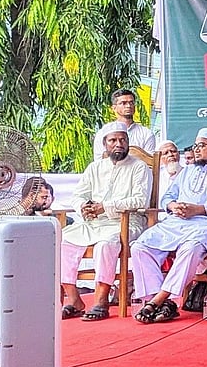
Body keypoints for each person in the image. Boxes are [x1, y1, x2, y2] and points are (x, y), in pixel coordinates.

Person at [130, 128, 207, 324]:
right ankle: (166, 303)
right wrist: (172, 205)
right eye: (195, 146)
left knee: (191, 249)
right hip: (176, 222)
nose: (197, 150)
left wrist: (200, 209)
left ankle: (159, 300)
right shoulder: (188, 171)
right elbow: (168, 196)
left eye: (202, 146)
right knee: (139, 247)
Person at [59, 123, 152, 322]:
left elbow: (140, 201)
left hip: (126, 222)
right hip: (94, 223)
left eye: (122, 140)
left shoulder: (139, 167)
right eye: (113, 140)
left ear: (127, 142)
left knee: (105, 245)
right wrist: (83, 206)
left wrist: (106, 206)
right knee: (62, 240)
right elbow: (78, 196)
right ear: (105, 144)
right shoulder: (95, 167)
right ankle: (74, 300)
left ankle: (101, 300)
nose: (118, 144)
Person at [92, 89, 156, 157]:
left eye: (131, 102)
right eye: (123, 103)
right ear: (114, 108)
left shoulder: (146, 134)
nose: (128, 106)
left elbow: (150, 163)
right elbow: (99, 161)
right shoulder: (103, 133)